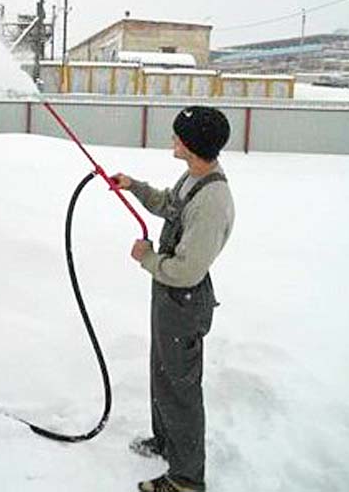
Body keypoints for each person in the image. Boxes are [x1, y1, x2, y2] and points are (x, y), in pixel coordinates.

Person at [112, 106, 235, 492]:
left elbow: (187, 270)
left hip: (183, 297)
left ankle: (185, 478)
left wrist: (146, 258)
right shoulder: (194, 177)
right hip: (170, 295)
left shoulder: (212, 201)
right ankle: (167, 441)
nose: (173, 140)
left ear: (192, 145)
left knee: (179, 387)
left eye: (178, 136)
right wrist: (134, 186)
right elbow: (170, 204)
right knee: (163, 373)